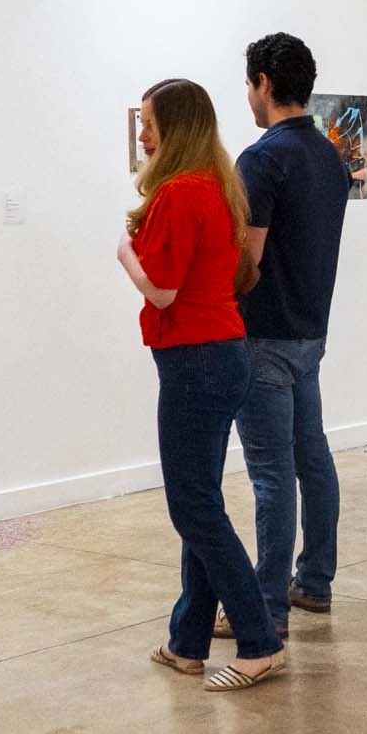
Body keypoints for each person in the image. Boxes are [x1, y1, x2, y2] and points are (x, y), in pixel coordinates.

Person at [117, 77, 285, 691]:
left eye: (150, 122)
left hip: (195, 360)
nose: (142, 131)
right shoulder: (217, 186)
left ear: (176, 128)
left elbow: (161, 288)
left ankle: (259, 640)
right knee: (202, 500)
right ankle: (187, 643)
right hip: (223, 352)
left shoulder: (180, 194)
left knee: (193, 506)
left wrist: (124, 253)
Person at [229, 32, 351, 634]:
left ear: (265, 85)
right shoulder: (330, 156)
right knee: (312, 458)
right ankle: (315, 582)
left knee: (272, 474)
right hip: (310, 332)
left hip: (264, 335)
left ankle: (267, 608)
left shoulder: (261, 159)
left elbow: (249, 259)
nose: (248, 97)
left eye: (249, 86)